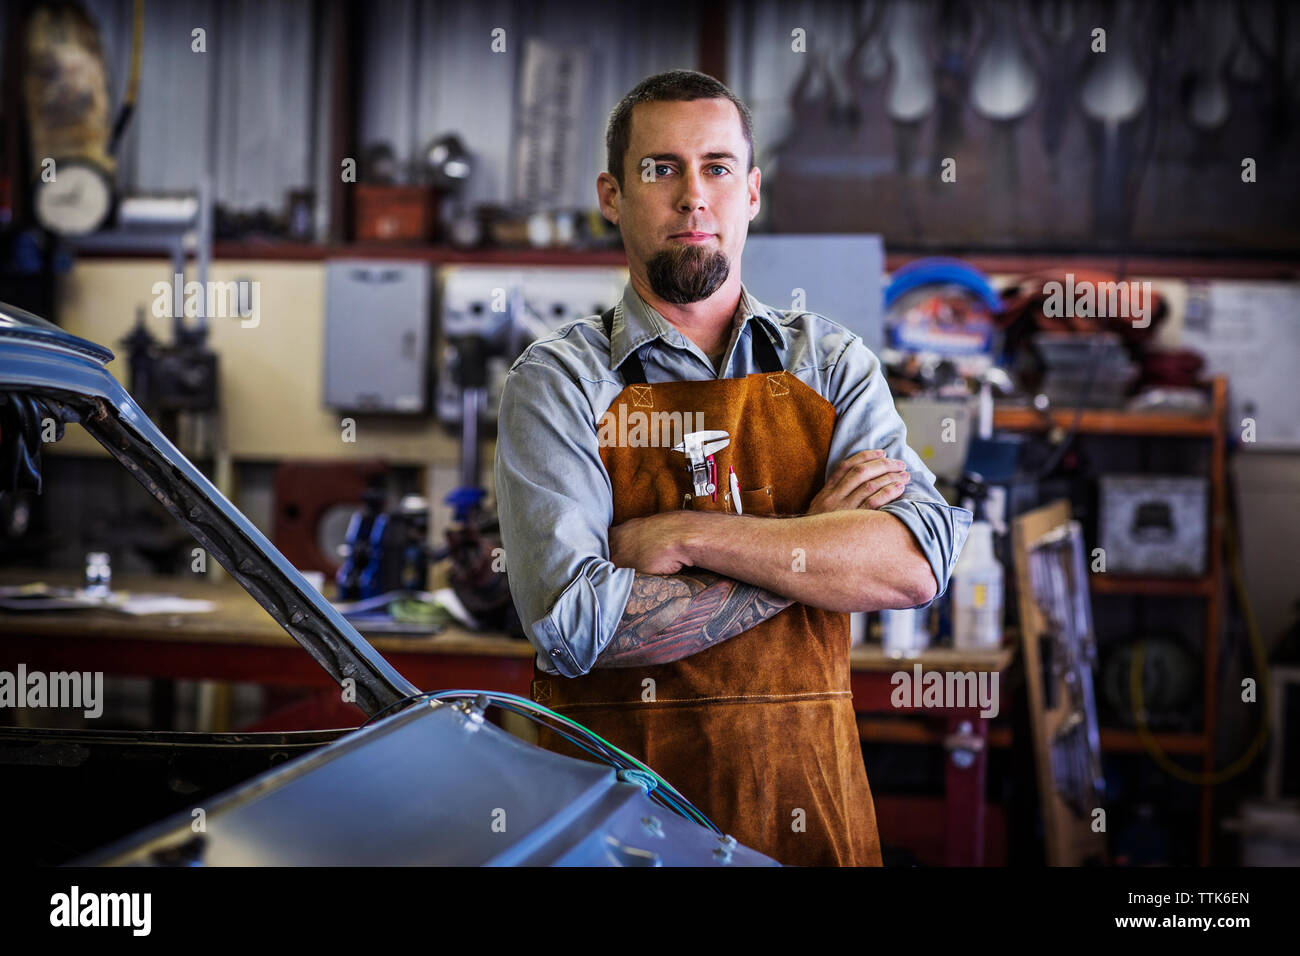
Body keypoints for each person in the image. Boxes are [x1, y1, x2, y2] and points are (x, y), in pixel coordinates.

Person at [494, 69, 971, 866]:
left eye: (716, 167)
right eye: (661, 169)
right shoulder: (559, 381)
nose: (692, 196)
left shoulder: (832, 365)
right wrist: (815, 544)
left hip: (810, 817)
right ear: (612, 194)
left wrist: (686, 534)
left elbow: (913, 567)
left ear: (750, 193)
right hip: (619, 834)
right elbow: (575, 624)